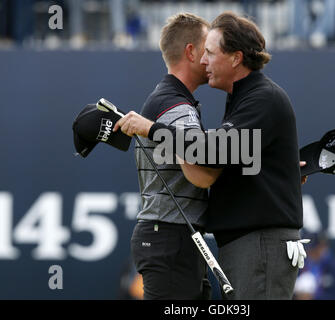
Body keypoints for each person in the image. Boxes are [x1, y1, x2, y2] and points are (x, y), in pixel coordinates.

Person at [114, 11, 308, 300]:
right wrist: (274, 170)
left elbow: (214, 155)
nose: (205, 61)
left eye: (211, 53)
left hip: (260, 245)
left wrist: (152, 129)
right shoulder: (244, 98)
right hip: (245, 245)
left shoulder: (262, 97)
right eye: (203, 53)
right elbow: (233, 156)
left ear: (236, 58)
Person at [127, 13, 212, 300]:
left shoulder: (170, 100)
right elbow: (201, 156)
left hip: (169, 236)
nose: (212, 56)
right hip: (171, 237)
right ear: (191, 51)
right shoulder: (175, 107)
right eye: (208, 48)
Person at [294, 231, 335, 300]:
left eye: (314, 250)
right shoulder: (302, 263)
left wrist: (313, 297)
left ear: (323, 247)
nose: (310, 253)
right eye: (309, 250)